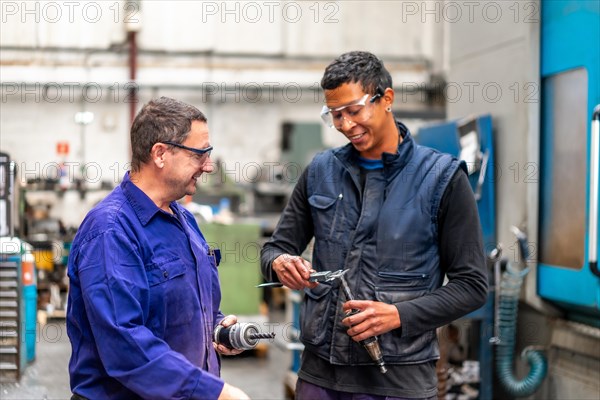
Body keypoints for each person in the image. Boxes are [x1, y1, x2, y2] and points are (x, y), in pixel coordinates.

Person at [260, 51, 488, 399]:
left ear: (387, 99)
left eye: (354, 110)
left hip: (399, 383)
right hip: (320, 377)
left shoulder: (441, 179)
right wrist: (279, 262)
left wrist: (399, 314)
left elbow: (471, 285)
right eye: (335, 115)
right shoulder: (321, 171)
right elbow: (275, 248)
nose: (346, 125)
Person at [66, 97, 249, 400]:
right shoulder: (110, 231)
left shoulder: (184, 220)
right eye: (200, 154)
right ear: (160, 154)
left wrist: (216, 329)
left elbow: (182, 306)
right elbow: (124, 344)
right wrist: (215, 392)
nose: (208, 165)